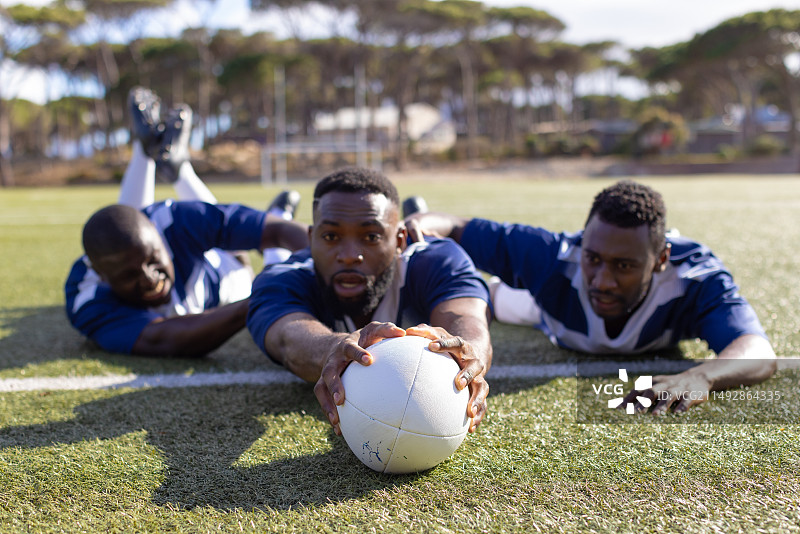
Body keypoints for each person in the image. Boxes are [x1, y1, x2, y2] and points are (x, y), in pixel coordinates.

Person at [405, 180, 777, 414]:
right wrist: (418, 225)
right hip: (542, 312)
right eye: (593, 259)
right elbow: (454, 226)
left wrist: (702, 377)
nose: (603, 281)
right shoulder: (553, 256)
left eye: (624, 266)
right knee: (488, 298)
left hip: (570, 319)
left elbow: (758, 351)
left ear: (661, 260)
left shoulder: (695, 278)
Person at [246, 167, 493, 435]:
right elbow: (287, 335)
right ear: (310, 240)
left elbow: (466, 316)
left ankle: (415, 212)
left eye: (371, 236)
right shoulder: (284, 277)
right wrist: (334, 346)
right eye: (330, 236)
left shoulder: (437, 260)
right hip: (290, 264)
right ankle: (281, 216)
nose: (350, 256)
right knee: (273, 259)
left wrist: (468, 349)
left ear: (400, 241)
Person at [64, 87, 308, 357]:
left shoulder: (173, 220)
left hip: (215, 263)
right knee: (265, 277)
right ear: (103, 277)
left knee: (244, 247)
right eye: (129, 275)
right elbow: (163, 338)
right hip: (226, 281)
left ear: (161, 237)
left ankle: (157, 157)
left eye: (153, 260)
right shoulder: (87, 297)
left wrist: (325, 262)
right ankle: (171, 164)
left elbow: (278, 231)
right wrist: (260, 297)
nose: (149, 278)